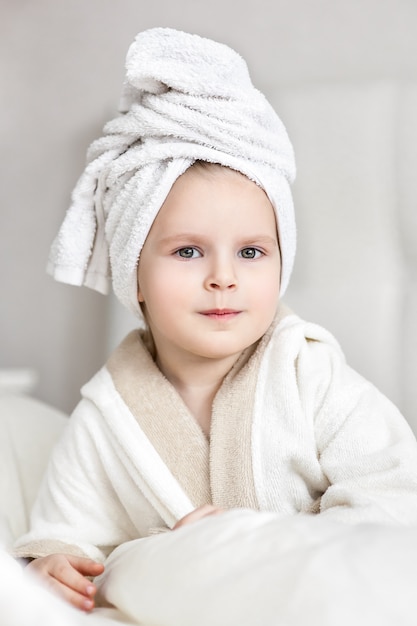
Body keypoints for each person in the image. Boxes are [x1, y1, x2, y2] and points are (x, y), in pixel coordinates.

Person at [13, 27, 417, 613]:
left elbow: (395, 491)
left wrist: (274, 546)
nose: (223, 277)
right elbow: (67, 533)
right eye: (188, 251)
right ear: (135, 276)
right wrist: (49, 565)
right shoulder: (109, 411)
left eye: (251, 252)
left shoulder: (311, 373)